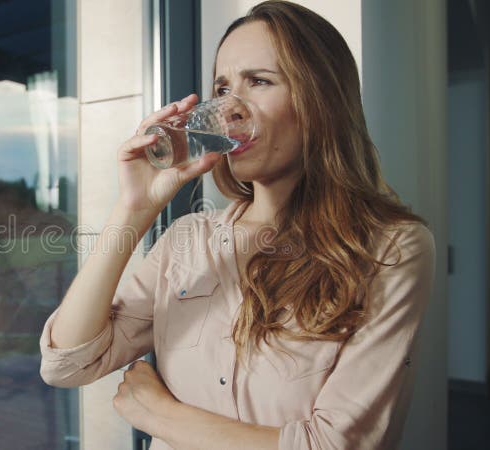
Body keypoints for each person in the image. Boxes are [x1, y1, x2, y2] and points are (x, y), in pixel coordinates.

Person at [38, 1, 436, 449]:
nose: (229, 109)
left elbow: (334, 445)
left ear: (320, 100)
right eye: (222, 88)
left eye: (260, 82)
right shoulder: (187, 240)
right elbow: (67, 364)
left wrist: (162, 415)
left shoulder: (390, 248)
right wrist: (133, 209)